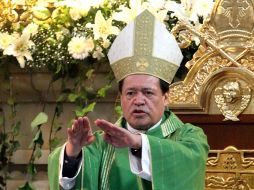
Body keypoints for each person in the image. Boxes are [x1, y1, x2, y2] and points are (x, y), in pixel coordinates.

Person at [48, 10, 209, 190]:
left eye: (148, 93)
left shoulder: (189, 137)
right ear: (121, 97)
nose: (139, 101)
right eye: (131, 93)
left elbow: (190, 162)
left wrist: (137, 142)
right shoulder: (100, 144)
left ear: (166, 97)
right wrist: (72, 151)